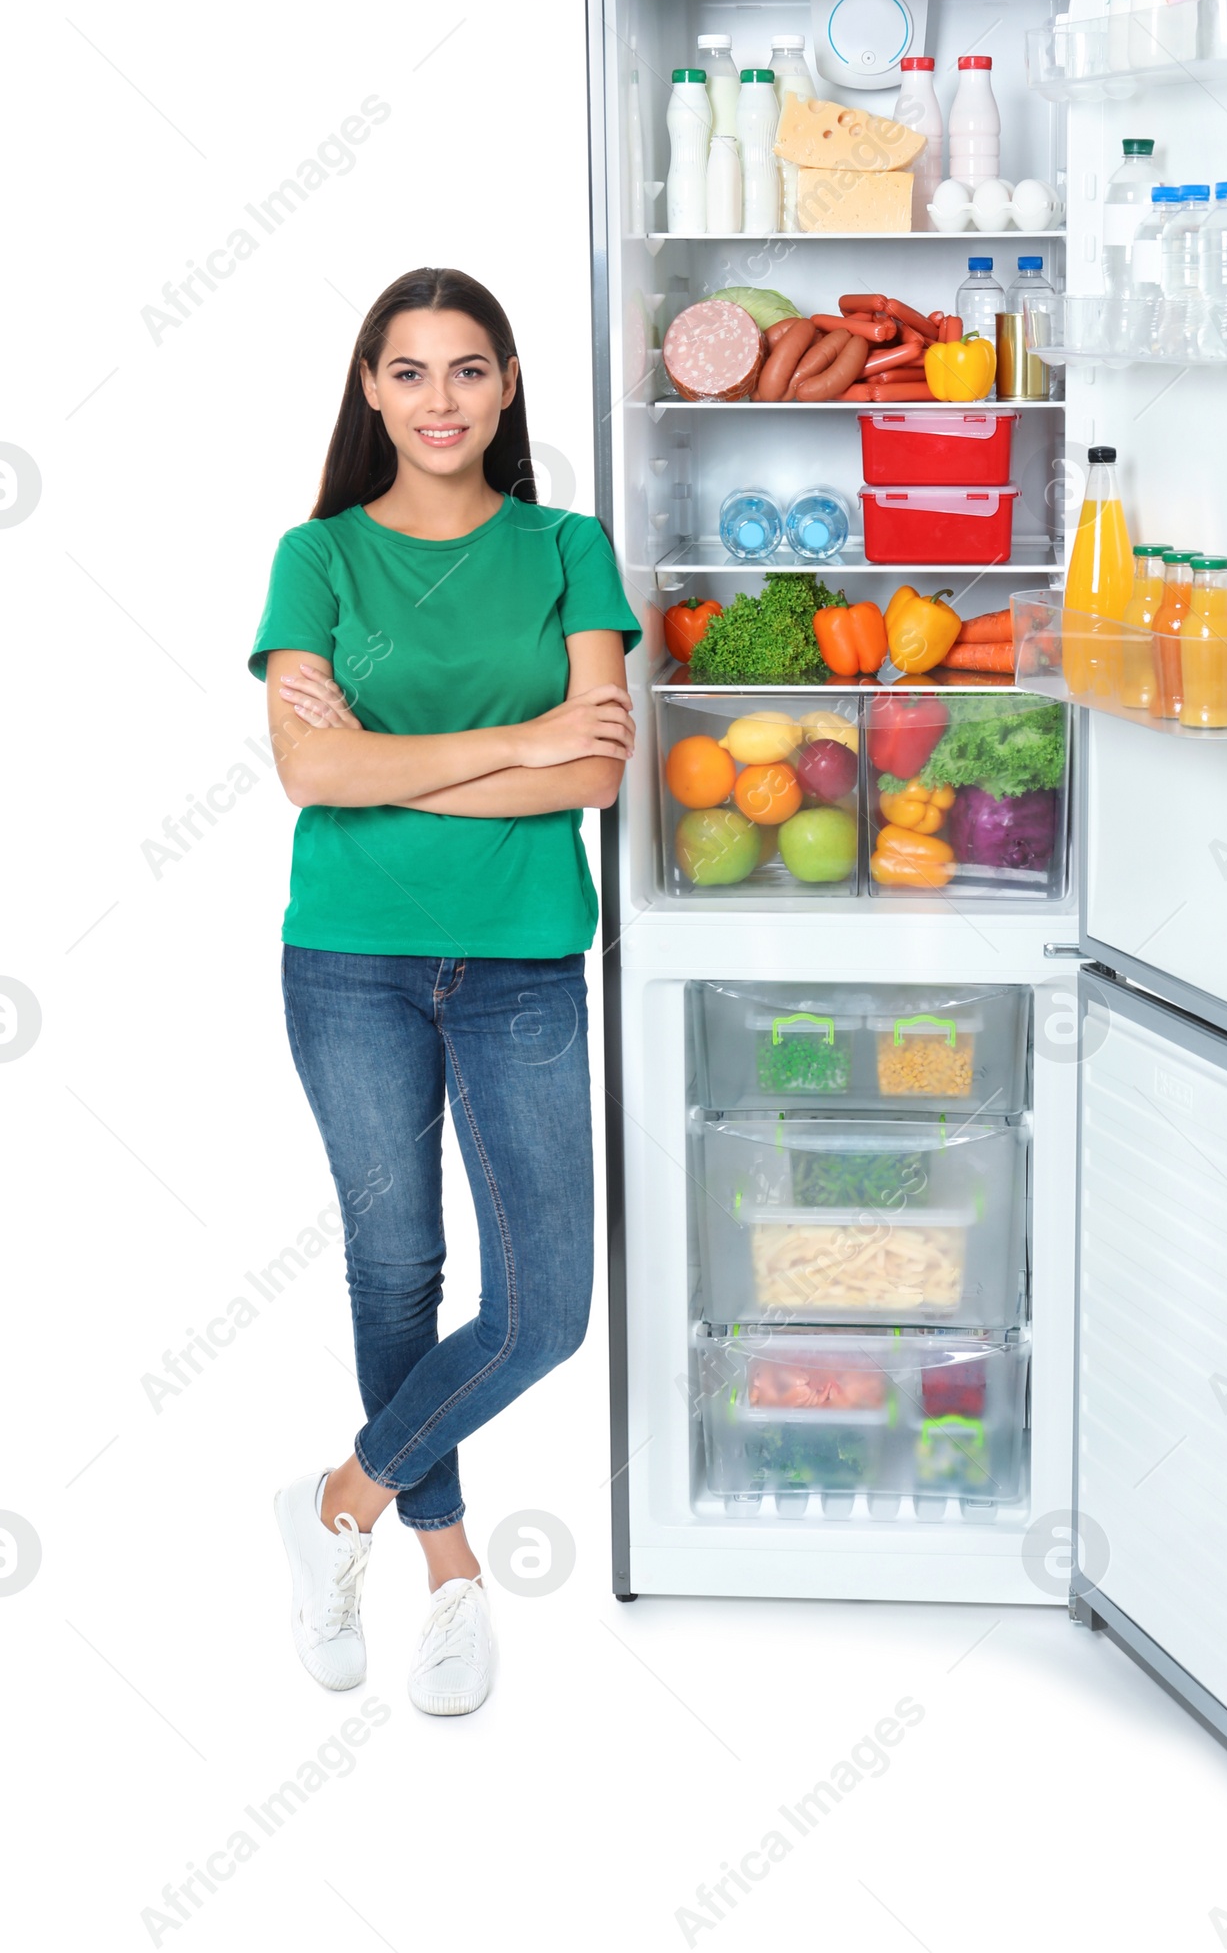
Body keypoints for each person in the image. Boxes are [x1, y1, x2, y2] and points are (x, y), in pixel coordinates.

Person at [250, 266, 638, 1716]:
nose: (439, 401)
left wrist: (423, 764)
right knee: (397, 1269)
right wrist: (520, 738)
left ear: (510, 385)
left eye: (468, 370)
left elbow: (598, 776)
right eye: (408, 373)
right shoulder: (320, 556)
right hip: (348, 956)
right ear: (370, 390)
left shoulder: (566, 548)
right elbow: (309, 773)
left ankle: (337, 1502)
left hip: (526, 959)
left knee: (543, 1309)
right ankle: (449, 1574)